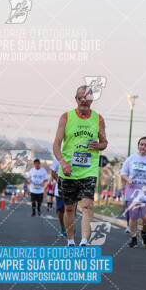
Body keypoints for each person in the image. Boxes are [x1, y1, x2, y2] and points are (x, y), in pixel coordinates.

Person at [53, 85, 108, 247]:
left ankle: (84, 241)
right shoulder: (66, 117)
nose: (84, 101)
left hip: (89, 170)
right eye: (81, 98)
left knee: (87, 205)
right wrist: (63, 163)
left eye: (87, 98)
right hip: (68, 170)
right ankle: (70, 240)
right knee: (69, 208)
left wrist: (99, 145)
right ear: (76, 99)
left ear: (91, 100)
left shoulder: (98, 119)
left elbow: (104, 142)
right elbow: (56, 144)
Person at [120, 137, 146, 248]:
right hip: (132, 190)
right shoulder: (131, 158)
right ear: (138, 145)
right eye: (141, 144)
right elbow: (123, 173)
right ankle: (133, 238)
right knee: (133, 216)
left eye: (145, 145)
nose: (143, 147)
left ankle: (143, 233)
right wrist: (128, 180)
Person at [49, 158, 70, 237]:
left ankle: (70, 228)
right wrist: (59, 181)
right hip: (60, 190)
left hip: (73, 189)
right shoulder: (58, 157)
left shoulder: (76, 155)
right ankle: (63, 228)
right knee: (60, 210)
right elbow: (53, 171)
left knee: (70, 209)